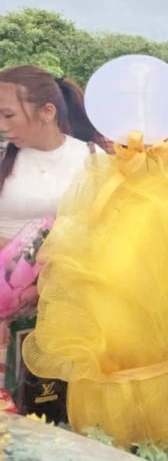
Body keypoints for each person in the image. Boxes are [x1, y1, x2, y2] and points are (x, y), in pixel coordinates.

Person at [0, 65, 107, 420]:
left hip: (78, 307)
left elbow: (112, 232)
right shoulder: (5, 159)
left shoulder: (92, 159)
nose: (2, 123)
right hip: (12, 319)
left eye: (8, 113)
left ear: (47, 112)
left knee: (73, 409)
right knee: (21, 415)